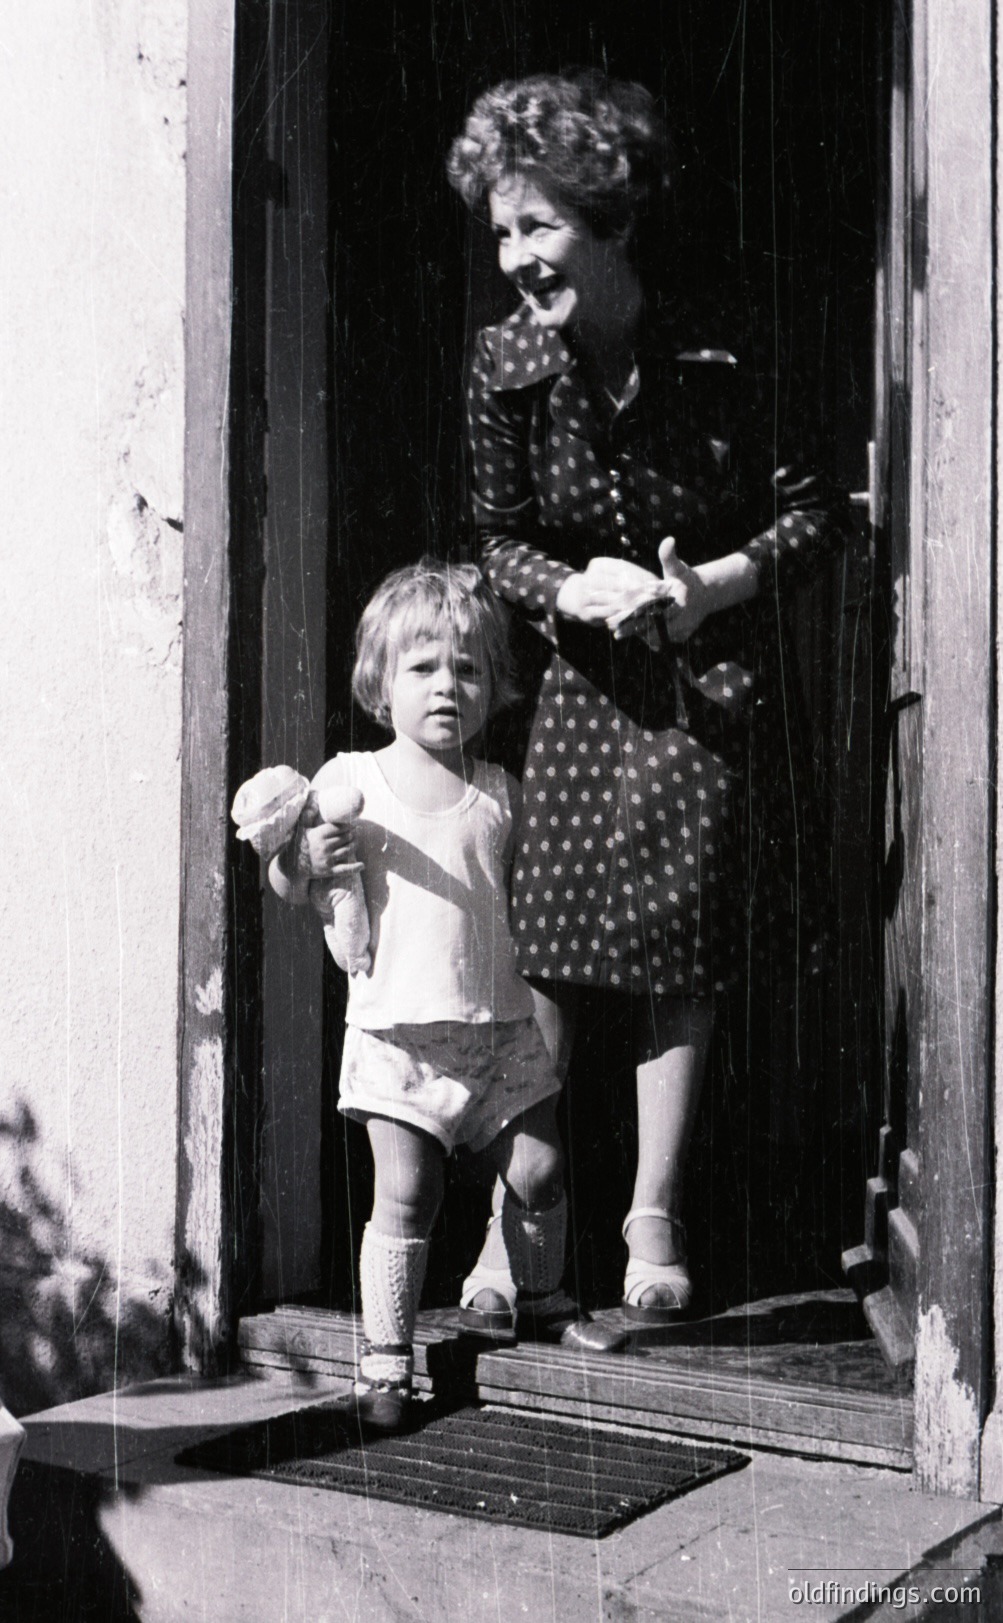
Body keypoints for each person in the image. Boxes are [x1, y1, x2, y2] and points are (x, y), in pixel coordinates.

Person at [446, 71, 847, 1330]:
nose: (516, 258)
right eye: (502, 231)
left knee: (686, 943)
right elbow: (497, 538)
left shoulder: (721, 340)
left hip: (705, 676)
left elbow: (816, 511)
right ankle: (534, 1212)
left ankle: (654, 1213)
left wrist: (709, 588)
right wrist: (570, 594)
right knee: (551, 941)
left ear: (608, 216)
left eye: (539, 226)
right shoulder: (505, 361)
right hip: (580, 677)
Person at [268, 559, 626, 1430]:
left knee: (538, 1173)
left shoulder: (501, 792)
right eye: (422, 667)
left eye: (466, 668)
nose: (445, 687)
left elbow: (534, 903)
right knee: (407, 1192)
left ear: (493, 687)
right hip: (399, 1034)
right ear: (379, 685)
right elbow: (291, 879)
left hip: (499, 1030)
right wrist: (301, 863)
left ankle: (537, 1295)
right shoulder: (350, 780)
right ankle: (385, 1359)